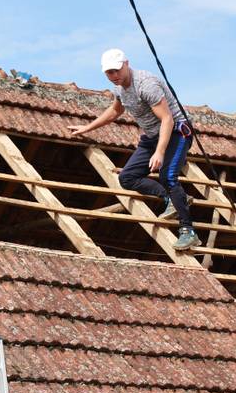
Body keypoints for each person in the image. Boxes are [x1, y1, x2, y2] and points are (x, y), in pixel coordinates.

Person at [68, 49, 201, 251]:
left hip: (176, 132)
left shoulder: (146, 85)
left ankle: (188, 231)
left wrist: (160, 152)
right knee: (127, 178)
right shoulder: (119, 89)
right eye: (109, 73)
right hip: (151, 136)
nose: (114, 76)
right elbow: (115, 110)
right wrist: (87, 127)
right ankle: (172, 198)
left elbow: (167, 119)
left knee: (168, 176)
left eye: (116, 70)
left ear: (126, 64)